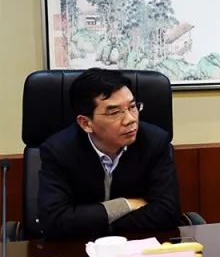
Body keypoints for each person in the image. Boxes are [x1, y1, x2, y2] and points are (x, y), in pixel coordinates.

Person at [38, 68, 181, 239]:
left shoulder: (155, 143)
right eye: (114, 112)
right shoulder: (58, 152)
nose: (130, 119)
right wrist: (125, 205)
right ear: (86, 123)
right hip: (75, 248)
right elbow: (54, 222)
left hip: (137, 245)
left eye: (133, 107)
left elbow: (168, 212)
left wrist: (95, 223)